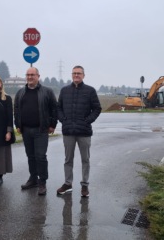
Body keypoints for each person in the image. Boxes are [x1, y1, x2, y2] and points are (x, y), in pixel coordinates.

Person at [56, 65, 101, 197]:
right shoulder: (64, 91)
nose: (76, 75)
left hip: (84, 132)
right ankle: (67, 184)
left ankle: (85, 185)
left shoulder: (90, 91)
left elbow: (97, 109)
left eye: (79, 73)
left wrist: (87, 121)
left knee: (85, 159)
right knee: (68, 159)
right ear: (71, 75)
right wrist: (63, 120)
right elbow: (58, 108)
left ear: (83, 75)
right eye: (74, 73)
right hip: (68, 131)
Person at [14, 67, 58, 196]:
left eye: (32, 75)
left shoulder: (47, 92)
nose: (30, 77)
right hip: (26, 130)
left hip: (41, 129)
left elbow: (54, 109)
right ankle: (33, 179)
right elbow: (16, 110)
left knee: (40, 156)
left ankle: (42, 182)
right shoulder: (21, 92)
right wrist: (18, 124)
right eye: (27, 75)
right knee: (30, 156)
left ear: (38, 76)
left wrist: (52, 125)